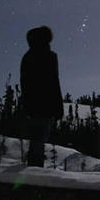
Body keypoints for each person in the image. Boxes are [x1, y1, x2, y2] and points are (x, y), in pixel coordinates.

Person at [20, 25, 64, 167]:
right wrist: (58, 108)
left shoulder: (27, 57)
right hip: (44, 106)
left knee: (37, 141)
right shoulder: (49, 56)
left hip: (34, 106)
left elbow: (24, 84)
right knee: (39, 141)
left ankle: (33, 171)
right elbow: (53, 82)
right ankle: (34, 173)